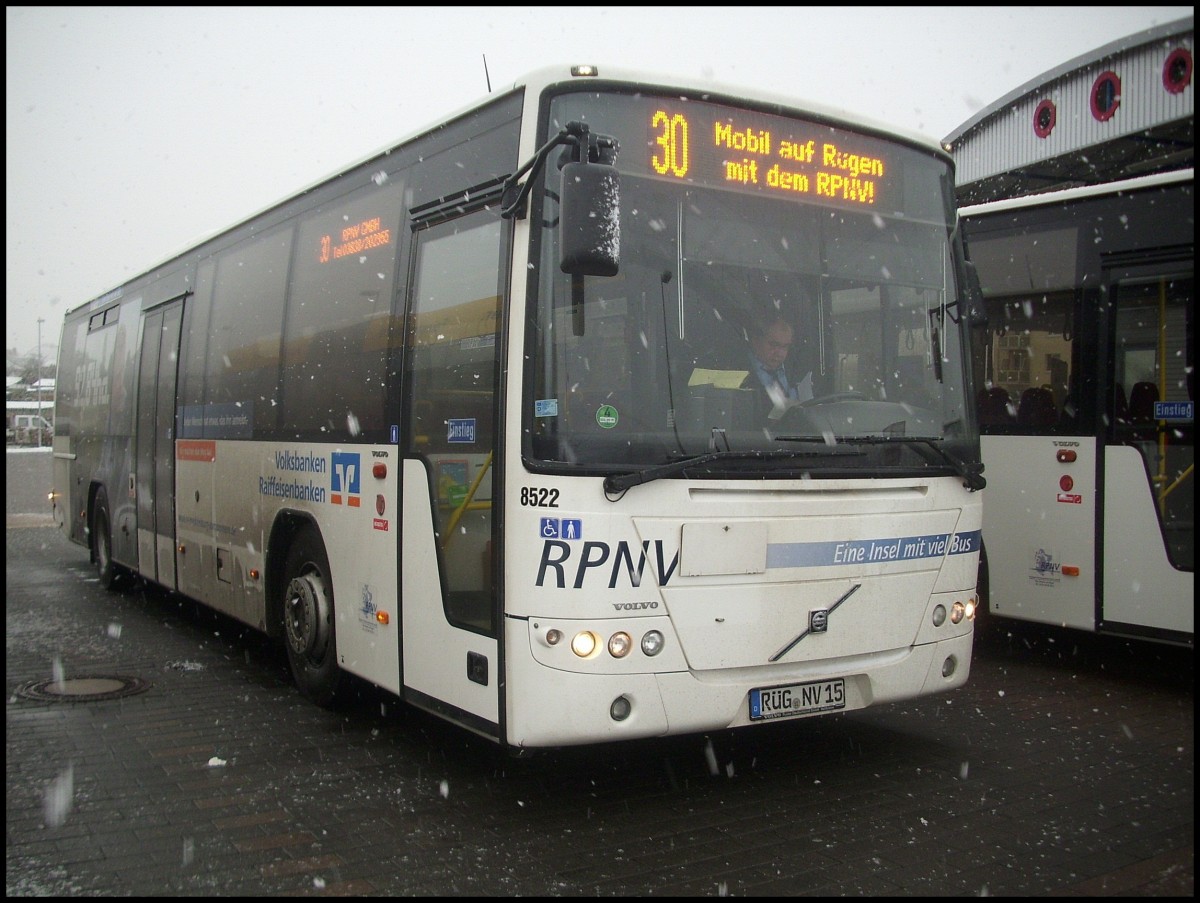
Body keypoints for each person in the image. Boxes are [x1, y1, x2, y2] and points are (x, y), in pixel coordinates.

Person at [743, 315, 813, 417]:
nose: (779, 353)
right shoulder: (740, 368)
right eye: (773, 345)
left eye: (785, 347)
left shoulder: (796, 371)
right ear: (756, 341)